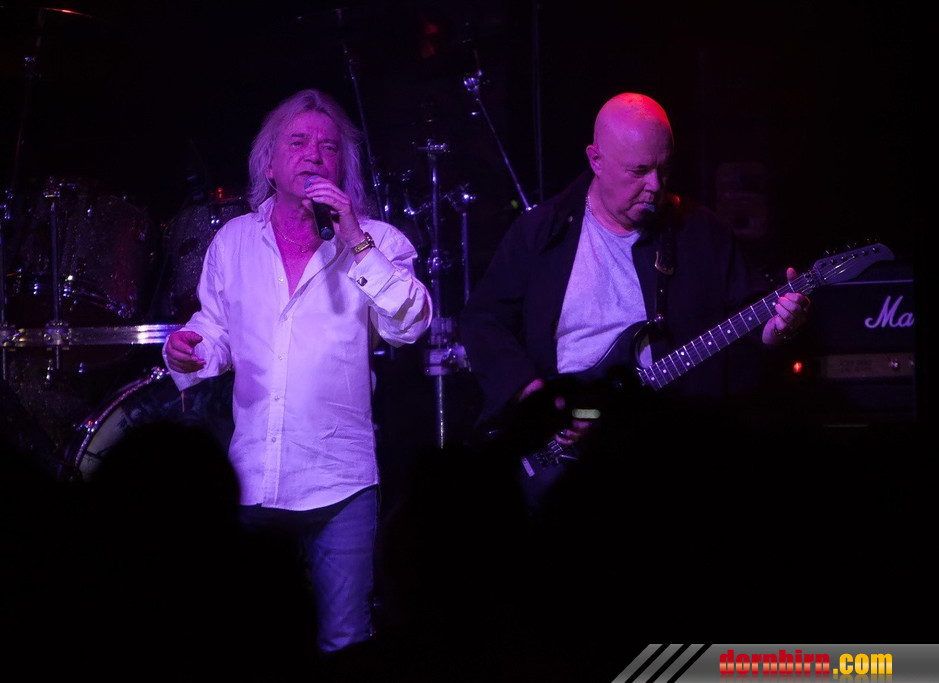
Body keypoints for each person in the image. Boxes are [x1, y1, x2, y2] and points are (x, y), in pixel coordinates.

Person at [162, 88, 432, 660]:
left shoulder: (378, 241)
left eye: (329, 147)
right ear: (269, 164)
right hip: (255, 480)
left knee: (344, 643)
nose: (314, 155)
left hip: (341, 484)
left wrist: (355, 239)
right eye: (299, 142)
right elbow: (216, 329)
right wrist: (192, 349)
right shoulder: (234, 241)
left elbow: (410, 324)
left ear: (343, 167)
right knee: (255, 644)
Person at [460, 91, 811, 507]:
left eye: (664, 169)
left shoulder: (701, 233)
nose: (655, 185)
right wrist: (534, 397)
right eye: (639, 171)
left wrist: (778, 328)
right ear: (596, 160)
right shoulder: (542, 232)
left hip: (662, 451)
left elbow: (752, 316)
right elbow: (483, 320)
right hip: (562, 448)